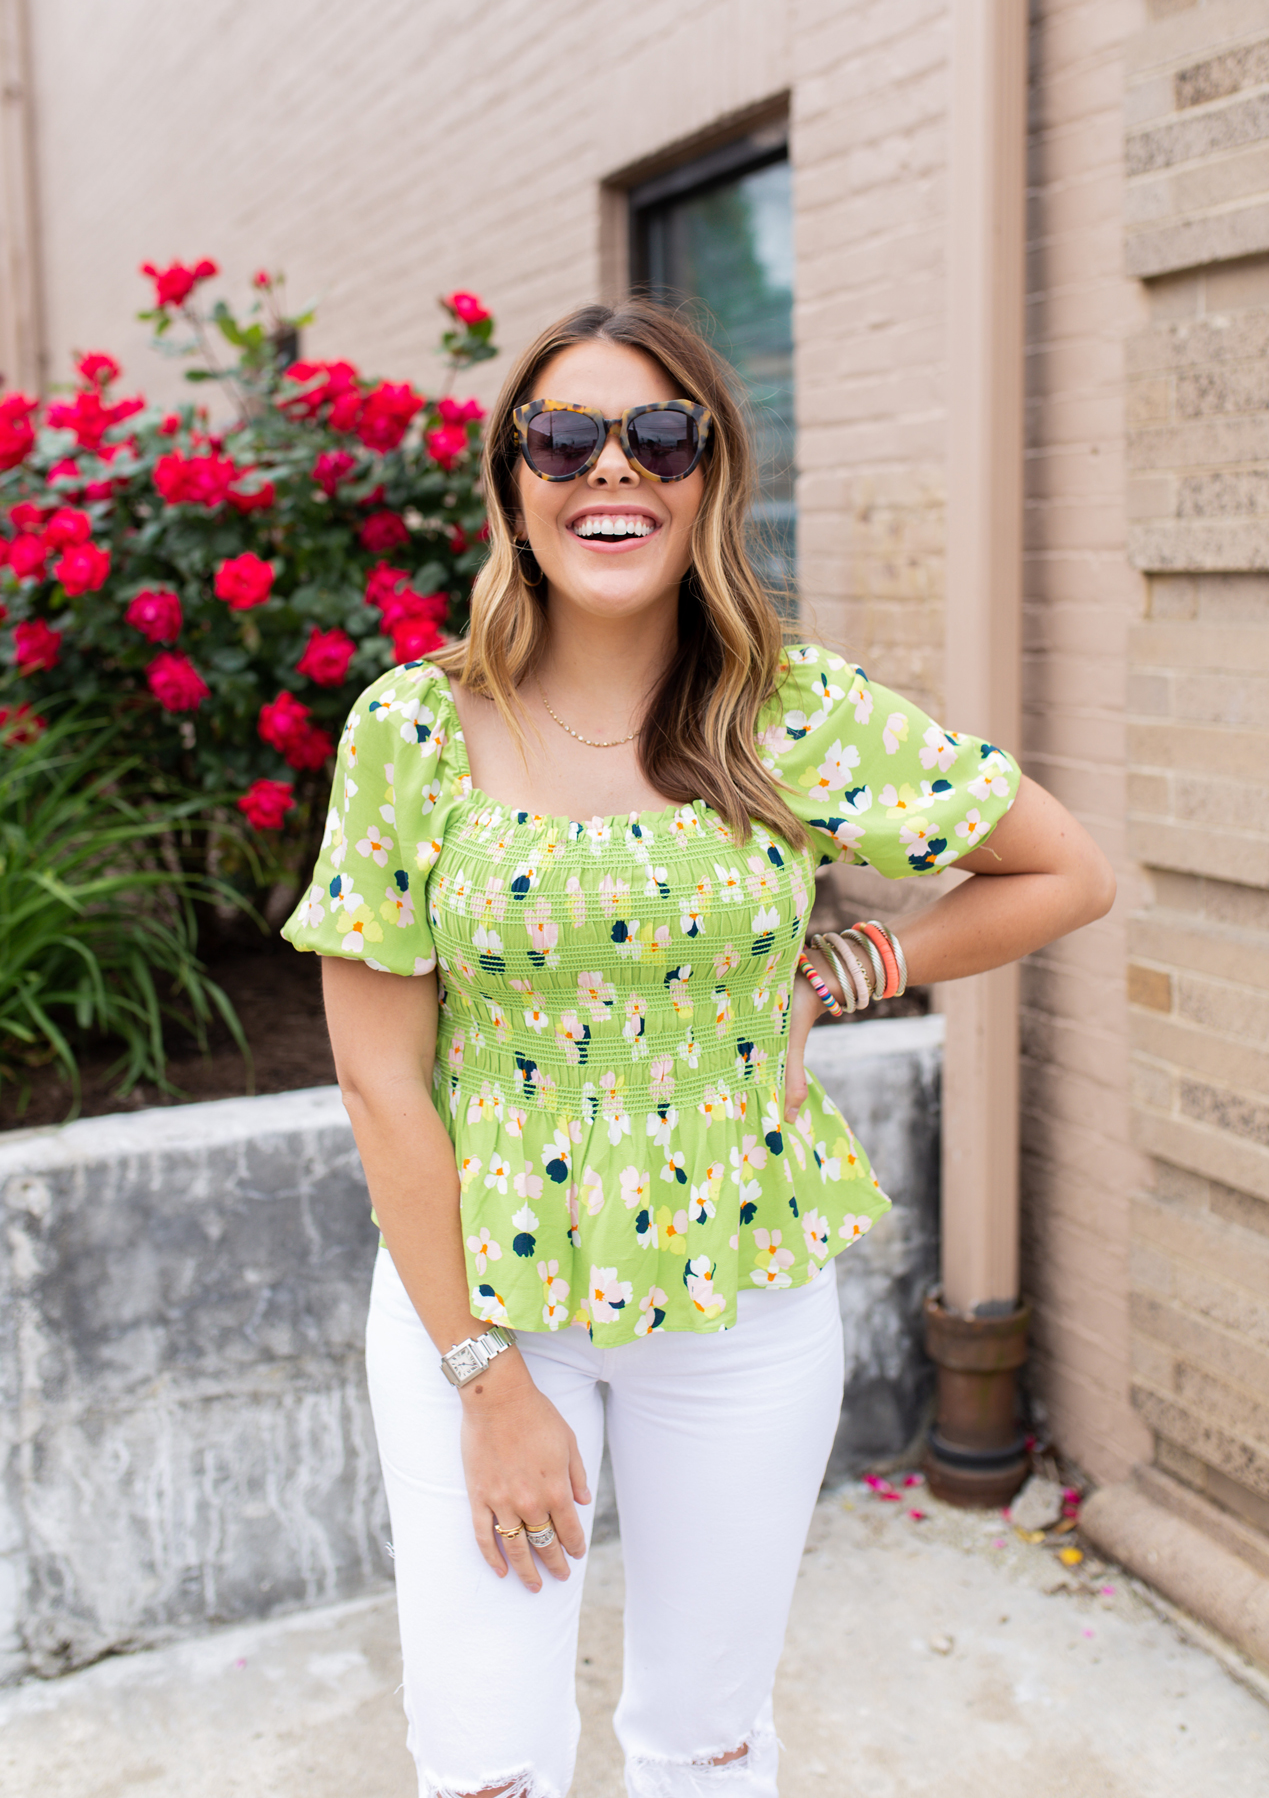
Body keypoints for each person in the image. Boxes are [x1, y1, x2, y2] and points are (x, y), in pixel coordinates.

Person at [282, 300, 1114, 1798]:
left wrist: (847, 967)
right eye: (564, 436)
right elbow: (378, 1076)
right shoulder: (413, 727)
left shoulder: (787, 711)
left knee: (706, 1743)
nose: (615, 468)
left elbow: (1062, 868)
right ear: (511, 485)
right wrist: (486, 1383)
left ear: (710, 475)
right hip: (483, 1312)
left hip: (738, 1305)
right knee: (484, 1762)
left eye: (659, 435)